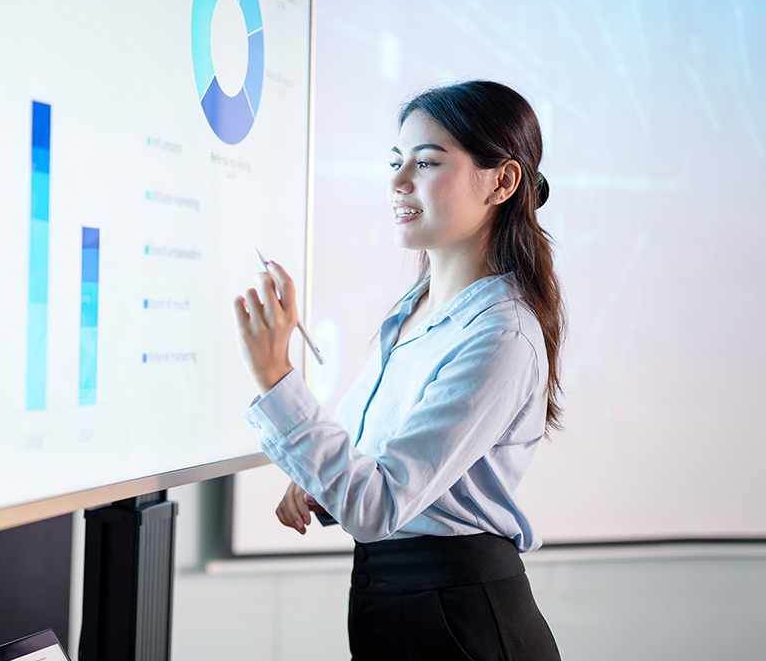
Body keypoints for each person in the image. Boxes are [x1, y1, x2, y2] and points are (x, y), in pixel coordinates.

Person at [233, 80, 562, 660]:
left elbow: (380, 504)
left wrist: (277, 379)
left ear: (503, 181)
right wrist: (322, 485)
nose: (397, 182)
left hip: (460, 619)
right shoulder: (416, 309)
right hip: (400, 601)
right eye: (396, 161)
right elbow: (387, 468)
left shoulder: (501, 333)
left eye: (427, 162)